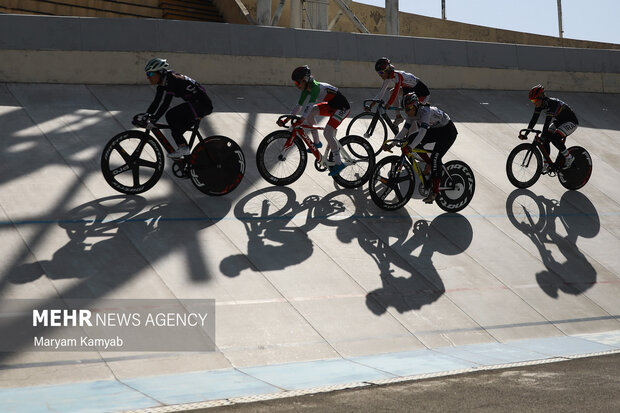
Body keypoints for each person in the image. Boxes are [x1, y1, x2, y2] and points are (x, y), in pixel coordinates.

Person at [280, 65, 351, 177]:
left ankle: (339, 162)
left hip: (343, 108)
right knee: (311, 113)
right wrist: (286, 119)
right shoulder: (305, 89)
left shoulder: (315, 88)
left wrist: (301, 119)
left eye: (297, 83)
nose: (296, 86)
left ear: (305, 80)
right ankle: (317, 143)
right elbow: (298, 106)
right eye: (295, 83)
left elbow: (309, 105)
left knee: (327, 132)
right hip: (332, 105)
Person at [142, 58, 213, 159]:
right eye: (147, 74)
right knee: (175, 127)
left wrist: (154, 119)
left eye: (150, 74)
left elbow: (166, 103)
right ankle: (186, 155)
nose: (148, 77)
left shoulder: (172, 80)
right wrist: (146, 115)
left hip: (202, 105)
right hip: (195, 104)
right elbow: (156, 102)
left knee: (171, 115)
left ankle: (184, 148)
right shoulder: (163, 83)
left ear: (160, 72)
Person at [396, 92, 458, 204]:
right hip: (437, 130)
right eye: (405, 109)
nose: (407, 112)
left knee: (435, 158)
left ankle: (434, 192)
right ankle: (428, 163)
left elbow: (422, 134)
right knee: (410, 139)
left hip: (448, 131)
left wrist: (409, 148)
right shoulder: (412, 114)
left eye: (409, 108)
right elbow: (404, 131)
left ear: (415, 105)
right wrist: (391, 143)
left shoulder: (425, 112)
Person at [524, 84, 578, 172]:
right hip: (559, 121)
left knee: (554, 138)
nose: (534, 103)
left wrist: (543, 136)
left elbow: (547, 123)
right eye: (532, 101)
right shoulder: (540, 105)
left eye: (535, 100)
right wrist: (526, 133)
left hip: (571, 121)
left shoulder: (552, 104)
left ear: (541, 97)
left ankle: (569, 158)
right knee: (545, 138)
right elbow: (533, 120)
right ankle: (546, 163)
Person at [367, 57, 431, 127]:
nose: (380, 75)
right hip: (409, 90)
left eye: (381, 72)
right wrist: (371, 105)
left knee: (412, 117)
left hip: (421, 92)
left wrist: (388, 104)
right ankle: (398, 117)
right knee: (391, 91)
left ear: (387, 70)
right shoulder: (388, 77)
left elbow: (396, 92)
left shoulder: (397, 75)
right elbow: (381, 93)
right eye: (378, 73)